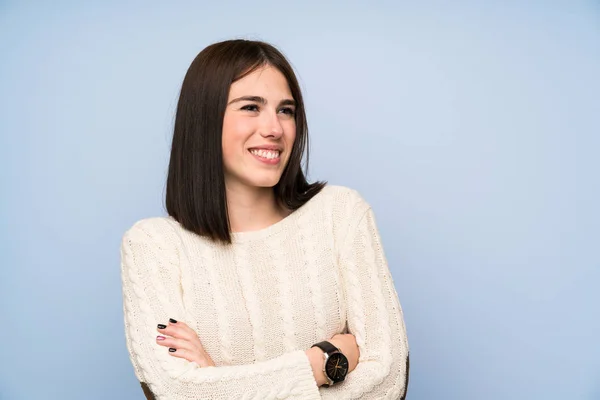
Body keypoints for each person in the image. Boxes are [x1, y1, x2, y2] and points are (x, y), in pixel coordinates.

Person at [120, 39, 409, 400]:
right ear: (205, 118)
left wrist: (217, 379)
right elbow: (175, 391)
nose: (274, 128)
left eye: (286, 110)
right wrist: (321, 363)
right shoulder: (154, 245)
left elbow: (387, 380)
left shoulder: (341, 215)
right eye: (251, 107)